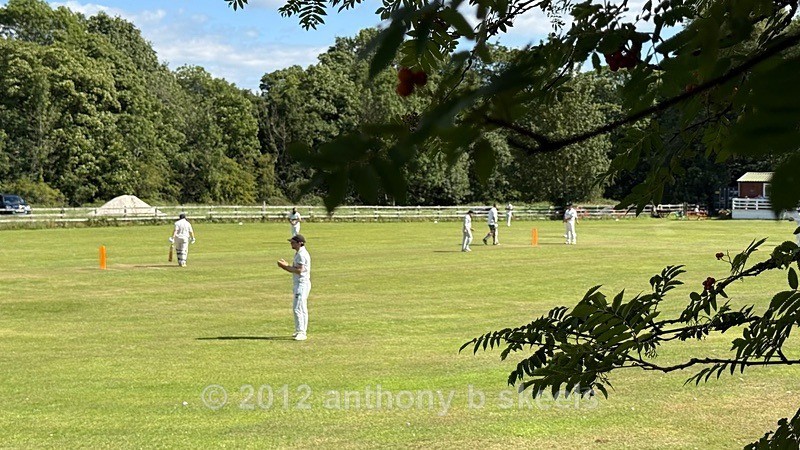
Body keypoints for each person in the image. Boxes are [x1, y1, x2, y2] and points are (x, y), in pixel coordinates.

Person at [277, 234, 311, 341]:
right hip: (300, 283)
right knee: (302, 307)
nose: (291, 244)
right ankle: (300, 330)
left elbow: (299, 270)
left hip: (302, 284)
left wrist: (284, 267)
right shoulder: (299, 253)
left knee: (297, 308)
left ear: (299, 243)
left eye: (293, 242)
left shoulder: (302, 255)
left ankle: (301, 332)